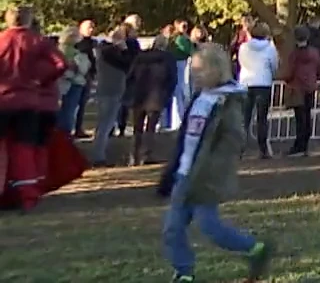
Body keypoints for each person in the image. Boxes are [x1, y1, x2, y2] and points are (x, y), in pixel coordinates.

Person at [158, 43, 272, 283]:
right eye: (194, 70)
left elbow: (233, 141)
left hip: (205, 177)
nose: (196, 75)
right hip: (184, 173)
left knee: (211, 228)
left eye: (201, 70)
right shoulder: (199, 97)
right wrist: (173, 169)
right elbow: (186, 138)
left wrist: (212, 173)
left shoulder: (228, 102)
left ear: (217, 70)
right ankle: (184, 272)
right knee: (172, 229)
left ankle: (255, 248)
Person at [0, 5, 67, 211]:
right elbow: (61, 64)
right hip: (29, 100)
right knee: (25, 149)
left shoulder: (2, 39)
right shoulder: (38, 41)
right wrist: (42, 80)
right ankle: (28, 195)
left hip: (2, 99)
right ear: (28, 20)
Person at [128, 38, 180, 166]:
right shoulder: (168, 58)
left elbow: (130, 76)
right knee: (150, 127)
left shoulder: (140, 57)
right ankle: (146, 155)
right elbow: (172, 78)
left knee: (137, 127)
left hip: (139, 94)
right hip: (156, 95)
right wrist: (167, 94)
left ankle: (134, 155)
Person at [90, 24, 134, 165]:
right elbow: (128, 63)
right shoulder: (111, 52)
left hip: (104, 88)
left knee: (103, 124)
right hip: (113, 89)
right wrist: (124, 50)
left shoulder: (101, 50)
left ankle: (99, 153)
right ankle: (99, 156)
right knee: (106, 124)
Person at [235, 19, 279, 158]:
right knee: (262, 118)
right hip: (263, 83)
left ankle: (239, 149)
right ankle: (262, 149)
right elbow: (274, 65)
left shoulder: (243, 47)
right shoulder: (270, 48)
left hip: (246, 82)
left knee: (244, 118)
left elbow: (241, 62)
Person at [286, 26, 320, 158]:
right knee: (307, 116)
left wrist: (286, 79)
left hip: (297, 88)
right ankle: (305, 144)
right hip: (310, 87)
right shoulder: (314, 52)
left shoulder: (294, 54)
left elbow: (289, 72)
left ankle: (299, 145)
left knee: (299, 117)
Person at [55, 26, 92, 137]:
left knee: (61, 110)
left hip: (60, 83)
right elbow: (82, 68)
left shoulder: (57, 50)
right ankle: (65, 135)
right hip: (75, 83)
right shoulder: (76, 52)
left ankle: (59, 134)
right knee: (69, 111)